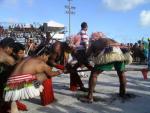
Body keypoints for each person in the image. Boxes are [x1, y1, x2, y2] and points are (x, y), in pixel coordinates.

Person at [3, 44, 63, 113]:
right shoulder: (41, 64)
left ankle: (14, 110)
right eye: (47, 57)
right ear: (44, 55)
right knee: (44, 75)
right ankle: (37, 86)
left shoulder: (27, 58)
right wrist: (59, 72)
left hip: (8, 88)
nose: (47, 59)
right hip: (23, 86)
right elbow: (51, 74)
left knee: (13, 106)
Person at [79, 32, 132, 103]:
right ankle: (122, 93)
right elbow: (120, 46)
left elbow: (87, 55)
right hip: (120, 54)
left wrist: (80, 62)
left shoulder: (94, 42)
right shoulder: (110, 39)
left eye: (92, 38)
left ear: (95, 38)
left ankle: (90, 97)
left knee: (94, 74)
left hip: (108, 54)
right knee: (121, 73)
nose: (91, 39)